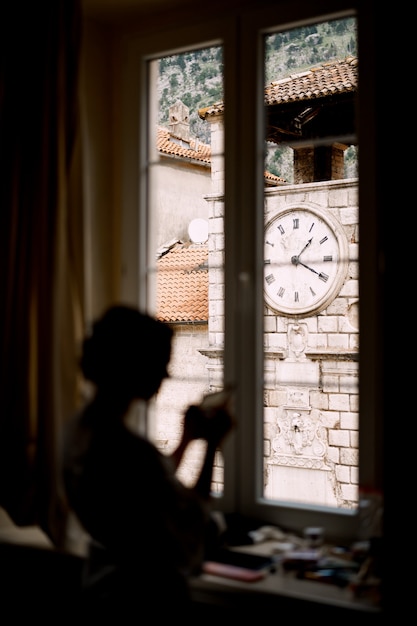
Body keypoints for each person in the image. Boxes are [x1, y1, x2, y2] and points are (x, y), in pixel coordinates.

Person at [62, 304, 233, 621]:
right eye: (160, 363)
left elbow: (146, 491)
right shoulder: (126, 449)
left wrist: (185, 441)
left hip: (103, 586)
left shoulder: (78, 432)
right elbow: (188, 530)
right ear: (132, 365)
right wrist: (211, 446)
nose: (166, 374)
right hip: (144, 599)